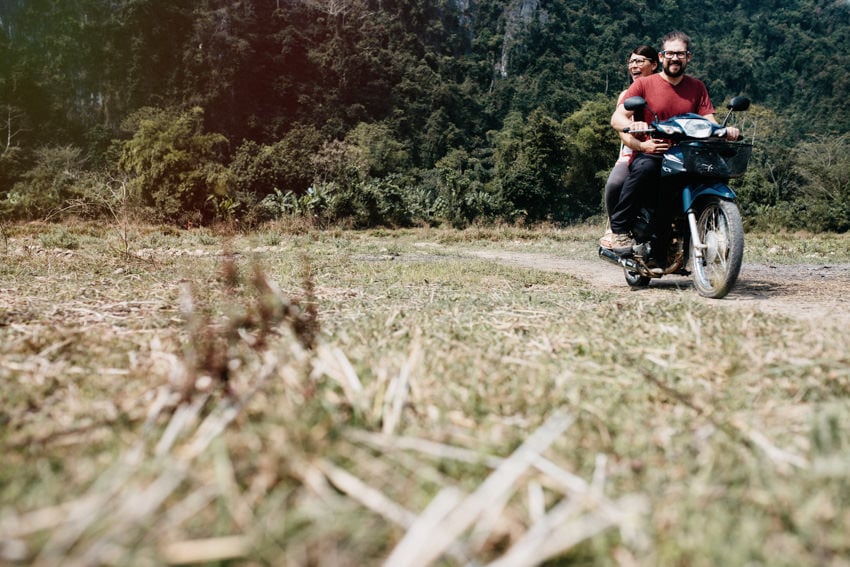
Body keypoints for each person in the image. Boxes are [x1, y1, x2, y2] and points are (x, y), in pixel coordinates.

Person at [604, 31, 740, 258]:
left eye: (680, 54)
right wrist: (634, 128)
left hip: (688, 155)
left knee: (713, 175)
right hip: (656, 151)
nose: (674, 58)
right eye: (670, 53)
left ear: (688, 57)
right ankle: (619, 229)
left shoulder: (697, 87)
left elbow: (709, 121)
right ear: (662, 56)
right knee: (644, 169)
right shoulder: (644, 85)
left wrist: (725, 131)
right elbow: (617, 118)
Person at [599, 45, 659, 249]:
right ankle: (614, 228)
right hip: (632, 150)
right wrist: (640, 145)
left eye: (639, 61)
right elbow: (621, 129)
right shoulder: (626, 95)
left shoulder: (661, 89)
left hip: (659, 148)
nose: (634, 65)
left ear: (654, 65)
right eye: (631, 62)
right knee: (615, 184)